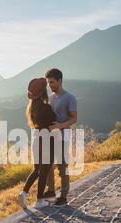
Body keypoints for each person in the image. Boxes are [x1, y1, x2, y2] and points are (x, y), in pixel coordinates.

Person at [18, 78, 57, 209]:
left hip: (36, 138)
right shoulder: (46, 107)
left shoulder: (31, 108)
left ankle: (23, 193)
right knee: (44, 170)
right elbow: (54, 122)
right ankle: (39, 201)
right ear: (42, 92)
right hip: (46, 139)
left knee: (36, 170)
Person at [44, 68, 78, 207]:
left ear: (59, 81)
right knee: (48, 165)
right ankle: (51, 191)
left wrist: (60, 126)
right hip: (50, 136)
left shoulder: (70, 98)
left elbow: (74, 118)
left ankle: (63, 196)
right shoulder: (50, 98)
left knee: (62, 166)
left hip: (63, 136)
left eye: (52, 82)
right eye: (48, 83)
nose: (50, 85)